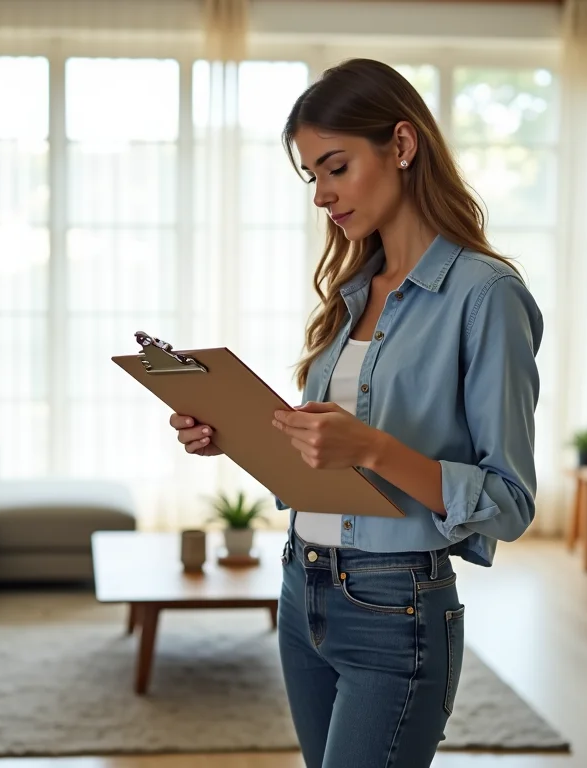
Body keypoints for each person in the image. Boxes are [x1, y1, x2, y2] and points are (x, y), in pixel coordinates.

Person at [168, 58, 542, 768]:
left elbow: (509, 504)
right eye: (312, 176)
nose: (322, 196)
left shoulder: (485, 295)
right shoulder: (353, 292)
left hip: (394, 605)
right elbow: (325, 466)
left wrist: (371, 449)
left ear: (402, 146)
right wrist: (238, 435)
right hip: (300, 586)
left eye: (335, 167)